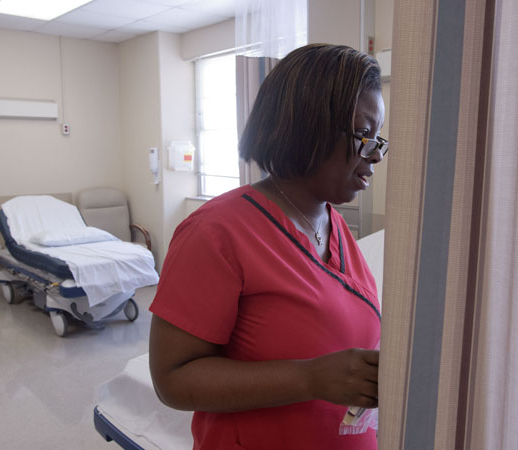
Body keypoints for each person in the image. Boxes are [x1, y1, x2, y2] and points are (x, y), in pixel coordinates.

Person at [149, 43, 387, 450]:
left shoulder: (332, 222)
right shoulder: (218, 231)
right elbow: (172, 379)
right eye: (363, 134)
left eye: (378, 137)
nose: (375, 154)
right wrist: (309, 377)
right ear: (309, 125)